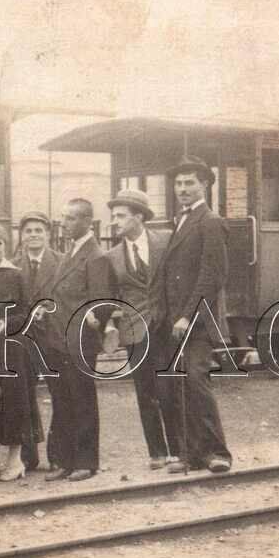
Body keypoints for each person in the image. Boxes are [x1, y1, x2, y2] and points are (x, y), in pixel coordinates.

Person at [154, 155, 233, 474]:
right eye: (178, 183)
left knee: (197, 380)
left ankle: (218, 453)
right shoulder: (183, 220)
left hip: (198, 320)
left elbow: (212, 275)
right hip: (176, 320)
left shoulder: (210, 221)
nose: (182, 188)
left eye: (189, 183)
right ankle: (191, 454)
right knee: (181, 383)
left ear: (204, 185)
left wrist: (187, 315)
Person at [105, 189, 179, 471]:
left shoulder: (166, 243)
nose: (115, 221)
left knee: (168, 388)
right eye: (114, 216)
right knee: (145, 392)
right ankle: (157, 453)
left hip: (165, 328)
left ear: (138, 217)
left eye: (121, 216)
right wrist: (112, 322)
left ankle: (178, 450)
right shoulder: (112, 256)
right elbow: (112, 297)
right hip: (135, 331)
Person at [39, 199, 112, 482]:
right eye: (64, 217)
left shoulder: (96, 257)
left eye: (70, 218)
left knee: (81, 401)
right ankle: (64, 461)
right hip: (57, 340)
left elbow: (100, 304)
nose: (64, 223)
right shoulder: (70, 252)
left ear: (86, 221)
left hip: (78, 342)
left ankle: (85, 461)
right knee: (61, 401)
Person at [0, 223, 34, 482]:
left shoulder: (16, 275)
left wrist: (8, 323)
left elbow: (28, 313)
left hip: (11, 347)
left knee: (13, 401)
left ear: (5, 246)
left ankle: (15, 460)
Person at [11, 211, 61, 472]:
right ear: (21, 236)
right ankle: (27, 456)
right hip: (23, 340)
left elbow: (66, 298)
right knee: (23, 396)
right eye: (28, 231)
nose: (33, 235)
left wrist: (48, 310)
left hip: (52, 337)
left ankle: (58, 455)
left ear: (48, 235)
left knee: (59, 394)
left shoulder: (61, 263)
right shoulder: (12, 265)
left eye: (38, 231)